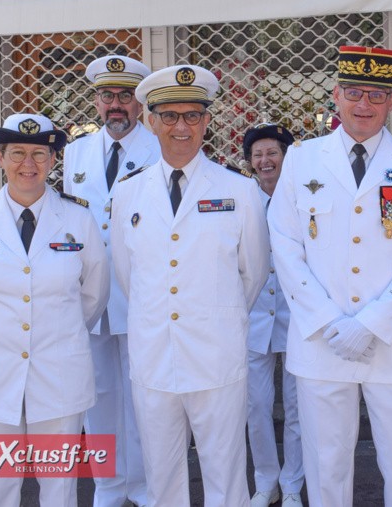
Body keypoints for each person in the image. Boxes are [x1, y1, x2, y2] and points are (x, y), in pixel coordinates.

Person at [267, 46, 392, 507]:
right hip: (322, 342)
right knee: (327, 464)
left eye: (377, 95)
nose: (364, 105)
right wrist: (329, 320)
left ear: (391, 102)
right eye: (354, 93)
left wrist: (370, 324)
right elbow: (285, 247)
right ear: (336, 95)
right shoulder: (302, 161)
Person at [110, 65, 269, 506]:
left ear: (206, 122)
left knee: (226, 475)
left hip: (216, 356)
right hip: (154, 357)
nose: (182, 127)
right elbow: (128, 274)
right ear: (150, 121)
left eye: (193, 115)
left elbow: (251, 275)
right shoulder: (128, 193)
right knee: (161, 479)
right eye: (170, 116)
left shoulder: (239, 191)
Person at [0, 113, 109, 506]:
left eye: (39, 154)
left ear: (53, 161)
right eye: (17, 153)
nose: (28, 164)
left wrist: (52, 332)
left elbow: (93, 295)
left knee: (60, 486)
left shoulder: (79, 219)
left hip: (59, 372)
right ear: (0, 158)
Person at [62, 54, 157, 507]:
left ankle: (142, 486)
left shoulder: (160, 148)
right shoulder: (75, 153)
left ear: (138, 103)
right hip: (89, 298)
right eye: (106, 96)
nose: (115, 105)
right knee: (96, 396)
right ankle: (108, 485)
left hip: (141, 295)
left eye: (124, 96)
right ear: (96, 101)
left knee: (143, 398)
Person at [243, 122, 304, 507]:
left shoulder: (302, 197)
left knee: (299, 407)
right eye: (258, 154)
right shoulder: (242, 198)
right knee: (256, 406)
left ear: (286, 157)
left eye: (273, 153)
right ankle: (266, 481)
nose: (265, 161)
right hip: (252, 318)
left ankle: (294, 484)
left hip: (296, 317)